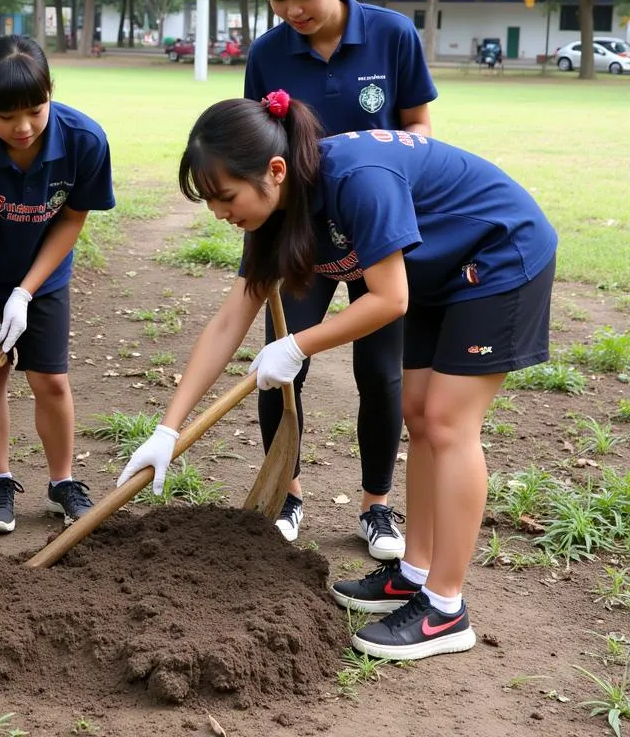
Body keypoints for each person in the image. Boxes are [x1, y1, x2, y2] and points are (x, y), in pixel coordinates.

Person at [119, 92, 556, 660]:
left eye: (224, 196)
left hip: (501, 255)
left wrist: (295, 345)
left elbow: (390, 298)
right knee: (420, 418)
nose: (218, 213)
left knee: (449, 425)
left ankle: (446, 609)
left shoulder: (356, 180)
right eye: (208, 200)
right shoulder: (274, 209)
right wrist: (168, 431)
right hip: (442, 272)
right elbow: (230, 320)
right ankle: (416, 572)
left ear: (274, 171)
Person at [243, 0, 439, 558]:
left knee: (380, 372)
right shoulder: (267, 55)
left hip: (378, 227)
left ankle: (376, 507)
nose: (292, 10)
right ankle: (288, 493)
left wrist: (390, 195)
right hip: (301, 233)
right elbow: (257, 153)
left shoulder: (391, 35)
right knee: (283, 362)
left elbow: (418, 128)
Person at [0, 35, 115, 535]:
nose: (24, 127)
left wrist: (26, 293)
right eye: (6, 116)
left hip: (45, 273)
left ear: (51, 91)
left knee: (50, 379)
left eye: (35, 110)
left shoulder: (84, 140)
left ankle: (63, 482)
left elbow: (71, 219)